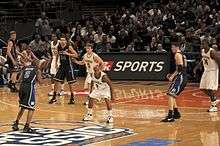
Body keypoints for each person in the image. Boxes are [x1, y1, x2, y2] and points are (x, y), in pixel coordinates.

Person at [12, 60, 42, 133]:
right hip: (29, 88)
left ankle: (16, 123)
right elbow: (40, 82)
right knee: (31, 108)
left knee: (23, 107)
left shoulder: (25, 68)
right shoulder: (37, 70)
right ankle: (27, 126)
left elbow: (19, 80)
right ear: (37, 64)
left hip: (22, 87)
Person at [161, 41, 187, 122]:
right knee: (171, 94)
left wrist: (172, 76)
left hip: (180, 77)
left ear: (177, 47)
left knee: (170, 95)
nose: (171, 49)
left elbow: (180, 68)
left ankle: (170, 116)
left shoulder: (177, 54)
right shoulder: (182, 54)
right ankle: (176, 113)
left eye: (172, 47)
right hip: (182, 76)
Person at [49, 34, 78, 104]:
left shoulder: (69, 47)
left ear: (66, 41)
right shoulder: (58, 47)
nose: (62, 41)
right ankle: (54, 97)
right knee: (56, 80)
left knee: (70, 83)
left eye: (63, 40)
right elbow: (57, 55)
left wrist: (68, 54)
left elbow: (76, 55)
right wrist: (56, 64)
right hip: (61, 66)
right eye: (61, 40)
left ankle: (72, 98)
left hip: (68, 66)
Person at [194, 38, 220, 112]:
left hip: (213, 70)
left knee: (209, 88)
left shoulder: (212, 52)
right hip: (206, 70)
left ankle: (214, 106)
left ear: (207, 44)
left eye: (203, 44)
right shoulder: (202, 51)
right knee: (202, 87)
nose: (202, 45)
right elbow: (203, 60)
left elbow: (219, 61)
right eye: (201, 43)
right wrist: (196, 67)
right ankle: (214, 99)